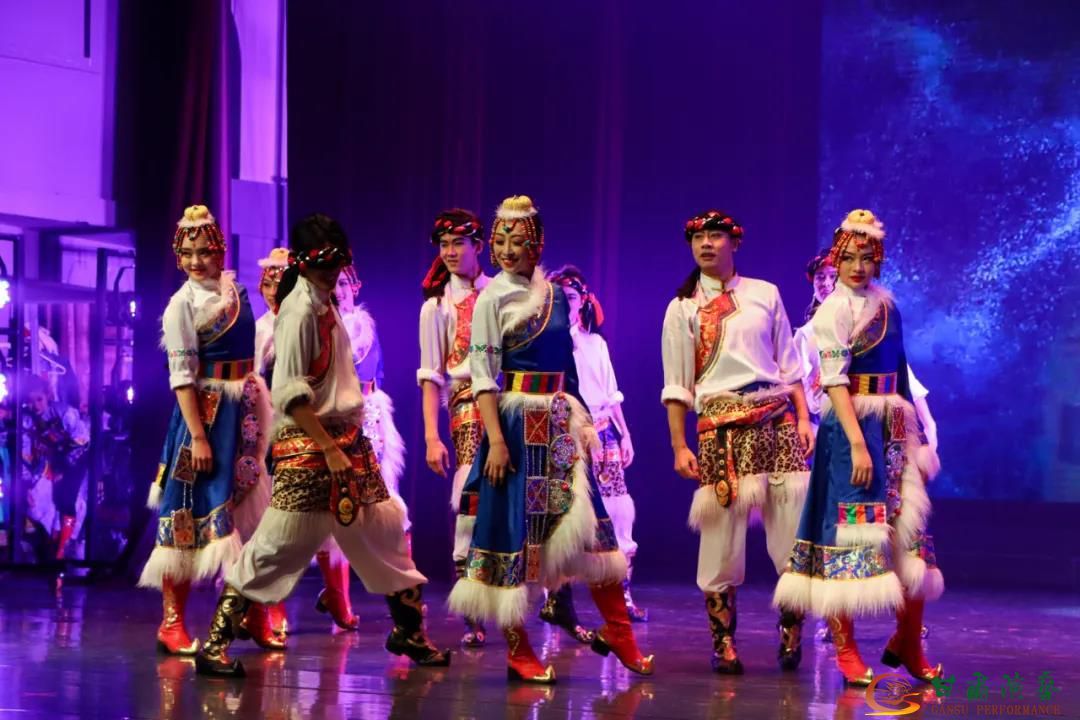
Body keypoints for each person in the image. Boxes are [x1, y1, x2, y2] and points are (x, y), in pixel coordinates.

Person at [195, 213, 449, 677]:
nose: (332, 272)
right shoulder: (297, 312)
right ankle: (215, 642)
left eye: (337, 263)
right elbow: (290, 393)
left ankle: (408, 632)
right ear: (305, 264)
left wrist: (342, 444)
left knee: (386, 532)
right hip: (312, 449)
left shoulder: (326, 306)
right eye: (323, 264)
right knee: (275, 545)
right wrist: (327, 448)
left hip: (348, 443)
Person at [447, 195, 653, 684]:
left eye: (517, 241)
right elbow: (483, 377)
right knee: (513, 535)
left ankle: (620, 633)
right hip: (517, 427)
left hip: (559, 424)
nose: (506, 250)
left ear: (536, 244)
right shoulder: (490, 299)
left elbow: (569, 368)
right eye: (500, 241)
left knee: (593, 531)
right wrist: (496, 441)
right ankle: (518, 648)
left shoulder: (558, 296)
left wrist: (585, 424)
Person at [773, 209, 944, 686]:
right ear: (836, 261)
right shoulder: (833, 311)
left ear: (878, 261)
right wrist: (857, 444)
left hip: (893, 428)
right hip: (852, 430)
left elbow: (902, 373)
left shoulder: (888, 307)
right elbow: (834, 382)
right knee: (847, 534)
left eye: (866, 258)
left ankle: (908, 642)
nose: (857, 267)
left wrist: (918, 443)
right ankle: (845, 650)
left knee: (910, 537)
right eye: (847, 258)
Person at [661, 210, 813, 674]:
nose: (706, 244)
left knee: (791, 533)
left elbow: (789, 366)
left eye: (715, 236)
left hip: (776, 422)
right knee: (720, 541)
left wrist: (803, 418)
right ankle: (723, 642)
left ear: (735, 242)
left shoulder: (765, 293)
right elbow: (677, 385)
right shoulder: (683, 307)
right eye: (698, 237)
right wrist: (679, 445)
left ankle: (791, 632)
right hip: (720, 429)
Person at [138, 205, 274, 655]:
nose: (196, 261)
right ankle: (171, 622)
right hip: (205, 417)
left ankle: (249, 611)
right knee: (187, 516)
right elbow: (181, 378)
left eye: (204, 251)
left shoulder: (237, 291)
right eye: (188, 253)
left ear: (220, 251)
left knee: (250, 517)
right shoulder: (181, 305)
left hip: (243, 414)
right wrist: (197, 436)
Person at [547, 265, 647, 627]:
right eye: (559, 297)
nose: (566, 303)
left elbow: (610, 393)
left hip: (603, 432)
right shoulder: (547, 345)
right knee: (561, 512)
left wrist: (625, 433)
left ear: (583, 300)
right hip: (564, 432)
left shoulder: (595, 343)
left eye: (571, 297)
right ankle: (555, 598)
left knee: (617, 511)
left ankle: (623, 595)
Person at [416, 208, 493, 647]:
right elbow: (431, 377)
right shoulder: (437, 307)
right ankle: (470, 603)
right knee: (472, 496)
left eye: (457, 244)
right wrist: (431, 437)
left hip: (509, 401)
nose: (449, 252)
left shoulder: (501, 293)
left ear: (477, 246)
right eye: (443, 245)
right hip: (467, 404)